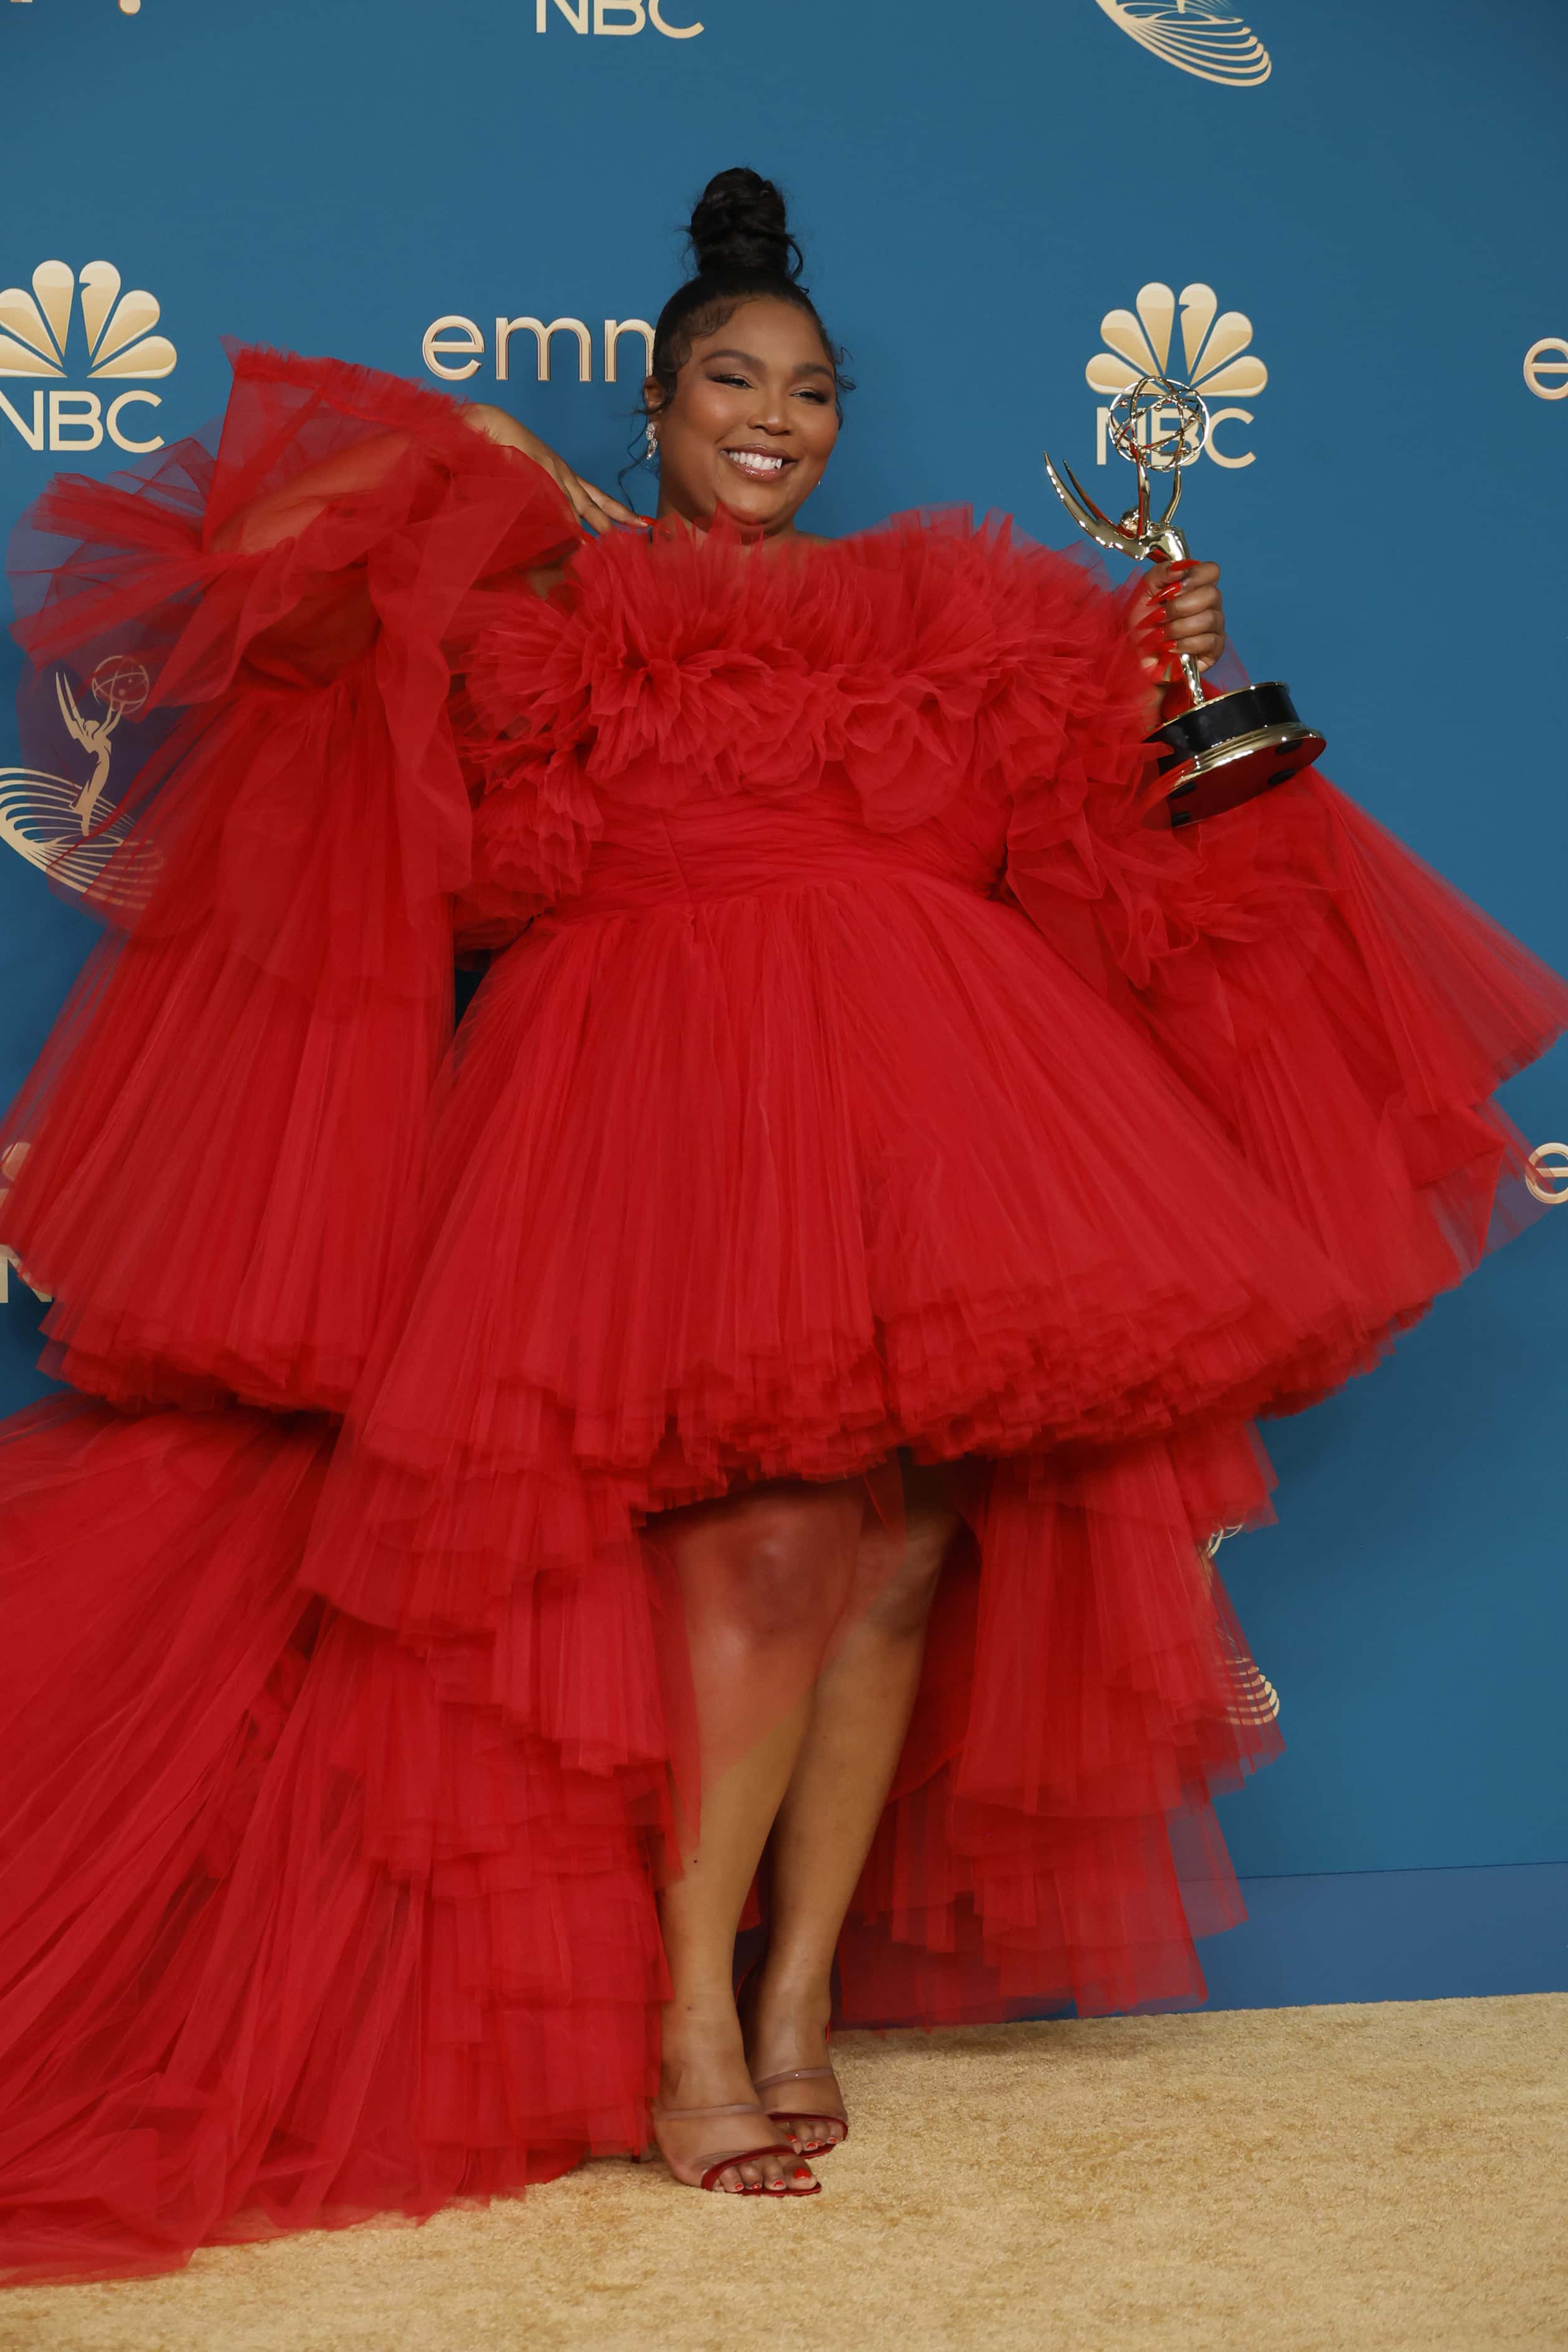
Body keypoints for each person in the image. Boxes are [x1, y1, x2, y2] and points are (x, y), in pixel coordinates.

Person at [0, 166, 1562, 2268]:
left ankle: (798, 1987)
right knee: (758, 1540)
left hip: (932, 1124)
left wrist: (1169, 664)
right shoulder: (550, 605)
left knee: (909, 1541)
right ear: (649, 406)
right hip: (644, 1128)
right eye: (728, 379)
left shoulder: (963, 620)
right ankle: (678, 2019)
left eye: (809, 390)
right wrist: (489, 469)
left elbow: (1118, 864)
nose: (774, 413)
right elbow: (272, 565)